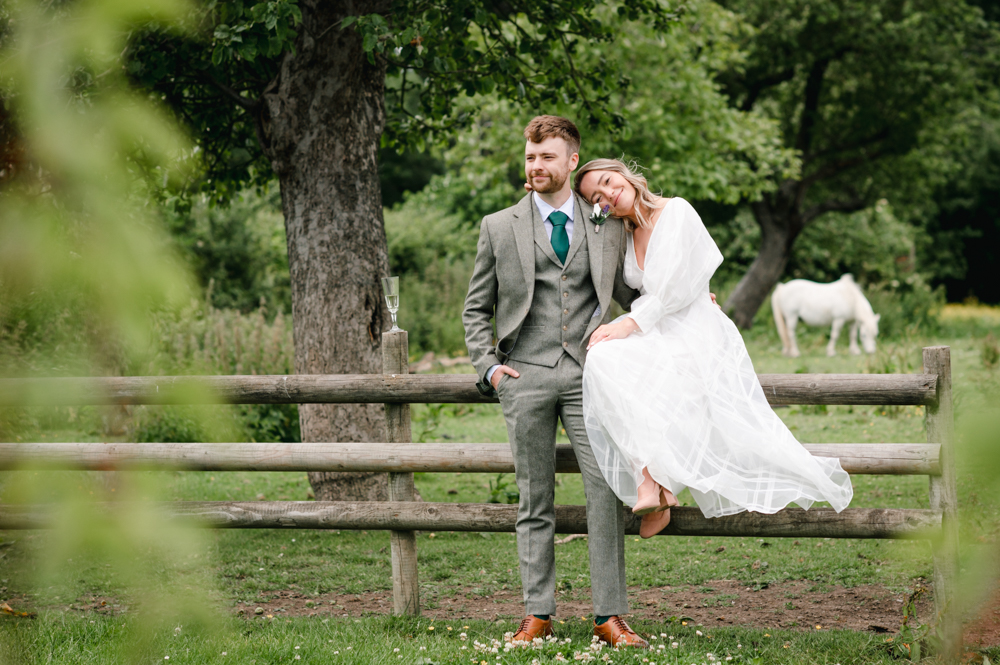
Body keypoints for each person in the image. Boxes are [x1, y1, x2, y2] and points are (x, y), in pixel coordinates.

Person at [574, 158, 854, 539]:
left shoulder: (677, 211)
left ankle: (655, 483)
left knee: (648, 373)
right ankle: (651, 481)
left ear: (624, 173)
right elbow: (633, 289)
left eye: (608, 181)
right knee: (603, 360)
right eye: (596, 197)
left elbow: (677, 285)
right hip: (656, 327)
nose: (606, 194)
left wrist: (629, 323)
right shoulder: (619, 234)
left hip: (695, 326)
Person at [463, 117, 650, 648]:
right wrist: (489, 368)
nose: (536, 165)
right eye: (530, 156)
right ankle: (537, 613)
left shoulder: (606, 223)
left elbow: (633, 297)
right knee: (534, 497)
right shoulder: (498, 226)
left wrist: (682, 304)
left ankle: (610, 616)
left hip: (592, 375)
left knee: (605, 491)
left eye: (547, 156)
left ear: (572, 161)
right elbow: (476, 308)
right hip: (524, 374)